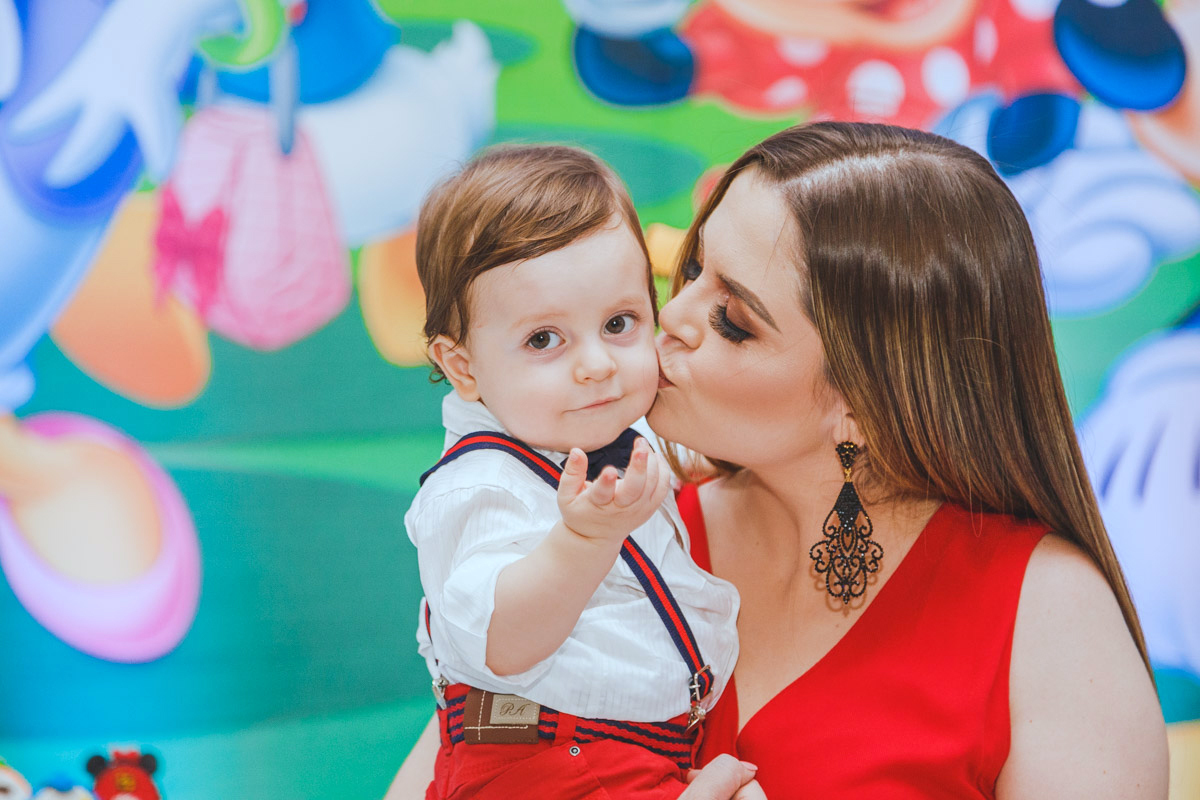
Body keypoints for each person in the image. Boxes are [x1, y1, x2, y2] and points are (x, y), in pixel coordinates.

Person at [388, 122, 1169, 799]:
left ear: (865, 399)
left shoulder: (1045, 615)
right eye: (690, 269)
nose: (673, 317)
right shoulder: (612, 529)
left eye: (733, 319)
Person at [406, 144, 742, 800]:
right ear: (463, 366)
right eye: (544, 339)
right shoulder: (479, 488)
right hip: (541, 760)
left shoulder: (604, 432)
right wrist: (583, 541)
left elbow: (682, 466)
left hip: (624, 753)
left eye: (619, 323)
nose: (596, 365)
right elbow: (499, 641)